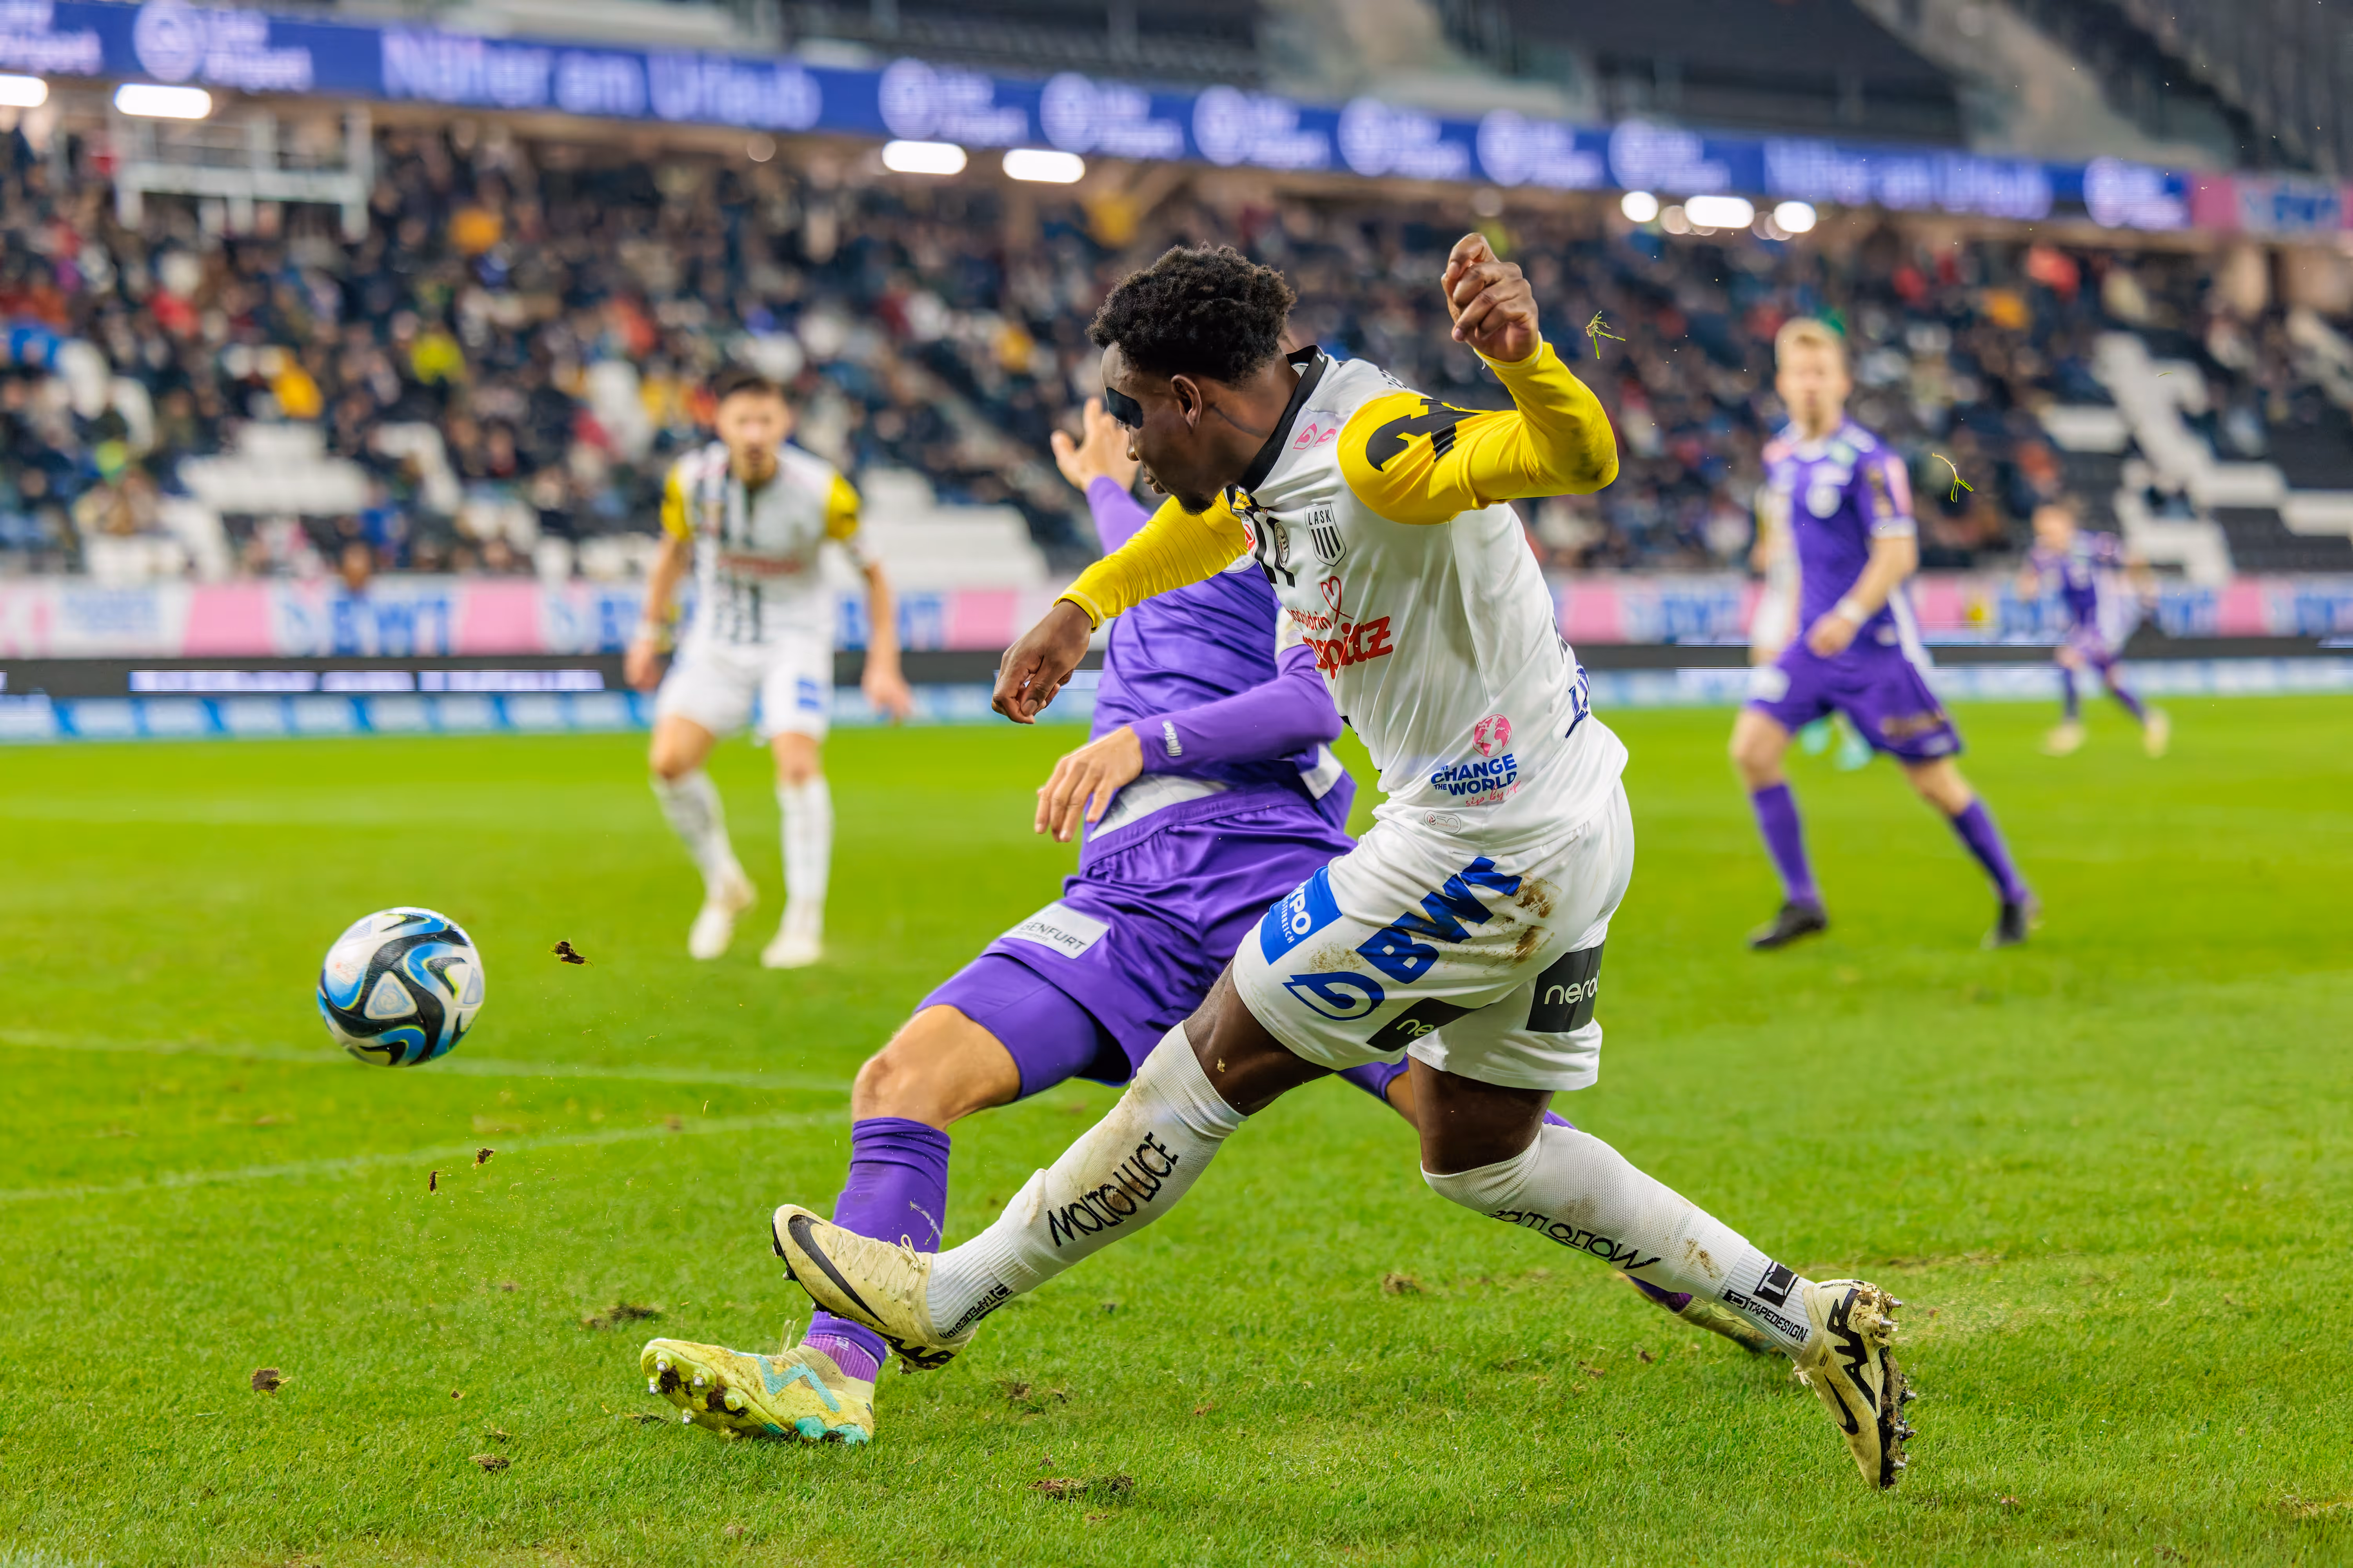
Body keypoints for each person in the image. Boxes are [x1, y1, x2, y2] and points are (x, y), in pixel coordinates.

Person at [758, 240, 1913, 1490]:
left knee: (1201, 1069)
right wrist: (1083, 604)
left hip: (1477, 845)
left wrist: (1525, 367)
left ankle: (942, 1296)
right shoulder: (1268, 456)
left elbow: (1572, 459)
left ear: (1192, 399)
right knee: (1480, 1154)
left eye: (1134, 415)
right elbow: (1204, 530)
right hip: (1573, 820)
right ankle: (1811, 1313)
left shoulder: (1374, 446)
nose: (1127, 447)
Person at [637, 396, 1769, 1445]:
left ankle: (1736, 1290)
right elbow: (1133, 547)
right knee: (901, 1082)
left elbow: (1311, 703)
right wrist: (1090, 488)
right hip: (1125, 899)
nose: (1132, 454)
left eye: (1142, 426)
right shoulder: (1144, 547)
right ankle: (832, 1375)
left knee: (1471, 1126)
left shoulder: (1281, 534)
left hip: (1267, 877)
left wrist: (1142, 741)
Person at [1733, 319, 2037, 952]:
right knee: (1752, 751)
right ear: (1783, 384)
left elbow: (1897, 555)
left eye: (1821, 374)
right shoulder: (1781, 458)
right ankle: (1802, 901)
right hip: (1812, 647)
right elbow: (1791, 556)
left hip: (1873, 649)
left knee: (1933, 783)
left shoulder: (1870, 462)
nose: (1810, 386)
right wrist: (1784, 623)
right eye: (1799, 374)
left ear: (1842, 382)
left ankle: (2012, 893)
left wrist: (1847, 616)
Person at [625, 367, 914, 969]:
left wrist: (882, 664)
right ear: (720, 424)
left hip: (795, 643)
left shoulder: (823, 491)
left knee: (797, 764)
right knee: (669, 764)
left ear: (785, 423)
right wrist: (650, 632)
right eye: (742, 421)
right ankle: (725, 884)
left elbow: (875, 574)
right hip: (717, 641)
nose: (754, 432)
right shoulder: (690, 481)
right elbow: (673, 553)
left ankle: (802, 922)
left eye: (766, 420)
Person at [2017, 498, 2167, 758]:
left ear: (2064, 523)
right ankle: (2151, 719)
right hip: (2082, 623)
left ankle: (2071, 727)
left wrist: (2144, 591)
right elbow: (2027, 583)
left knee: (2068, 658)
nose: (2043, 532)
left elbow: (2133, 559)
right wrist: (2028, 588)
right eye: (2039, 528)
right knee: (2111, 681)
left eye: (2047, 525)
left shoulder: (2090, 545)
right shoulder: (2043, 554)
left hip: (2106, 620)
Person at [1752, 482, 1870, 771]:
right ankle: (1812, 720)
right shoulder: (1766, 493)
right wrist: (1764, 549)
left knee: (1828, 662)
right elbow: (1765, 539)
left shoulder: (1810, 489)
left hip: (1807, 590)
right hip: (1777, 587)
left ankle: (1853, 733)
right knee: (1764, 655)